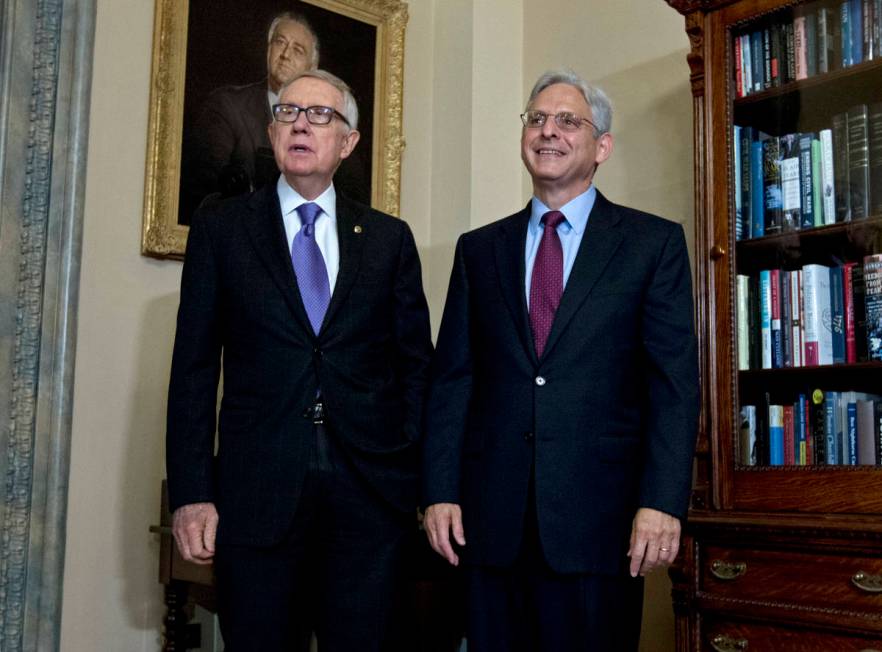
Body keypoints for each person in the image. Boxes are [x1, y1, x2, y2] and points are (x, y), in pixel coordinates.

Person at [421, 69, 700, 652]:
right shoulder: (479, 251)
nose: (548, 131)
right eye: (537, 119)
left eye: (568, 120)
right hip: (490, 524)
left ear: (601, 146)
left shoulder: (652, 245)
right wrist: (439, 489)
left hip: (601, 526)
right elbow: (453, 380)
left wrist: (661, 502)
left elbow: (673, 386)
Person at [167, 69, 432, 651]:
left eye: (320, 115)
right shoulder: (223, 228)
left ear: (348, 141)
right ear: (271, 130)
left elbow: (417, 368)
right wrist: (192, 492)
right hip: (256, 499)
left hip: (369, 503)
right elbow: (192, 370)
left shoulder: (388, 239)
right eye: (287, 113)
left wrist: (409, 472)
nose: (301, 125)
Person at [179, 11, 368, 222]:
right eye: (280, 43)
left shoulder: (338, 131)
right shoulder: (227, 105)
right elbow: (204, 188)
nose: (286, 54)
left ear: (312, 67)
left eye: (298, 50)